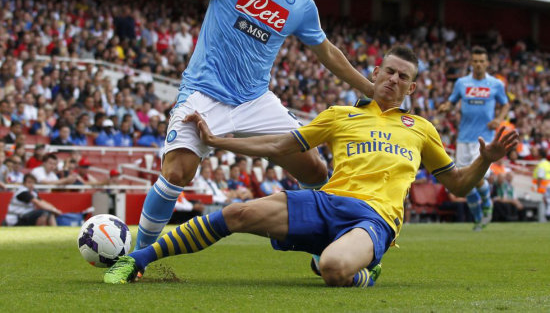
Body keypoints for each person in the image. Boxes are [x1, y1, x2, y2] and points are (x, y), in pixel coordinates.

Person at [75, 0, 374, 251]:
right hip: (204, 93)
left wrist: (369, 89)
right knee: (176, 172)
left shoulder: (302, 4)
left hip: (255, 102)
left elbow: (328, 52)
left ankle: (324, 241)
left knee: (316, 171)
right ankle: (138, 256)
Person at [102, 46, 518, 286]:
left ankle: (363, 272)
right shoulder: (340, 115)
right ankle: (137, 261)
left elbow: (460, 186)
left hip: (375, 218)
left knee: (334, 269)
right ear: (374, 73)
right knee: (238, 212)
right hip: (326, 201)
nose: (393, 79)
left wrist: (483, 159)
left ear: (411, 87)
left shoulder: (422, 129)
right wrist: (216, 141)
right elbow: (279, 145)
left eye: (402, 76)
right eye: (388, 70)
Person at [438, 46, 510, 231]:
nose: (478, 64)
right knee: (464, 180)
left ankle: (486, 202)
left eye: (481, 61)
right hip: (464, 138)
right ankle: (479, 218)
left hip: (485, 138)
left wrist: (499, 119)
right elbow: (452, 101)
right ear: (471, 63)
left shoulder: (495, 84)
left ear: (487, 63)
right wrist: (446, 106)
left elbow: (505, 104)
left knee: (477, 178)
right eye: (475, 61)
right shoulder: (462, 83)